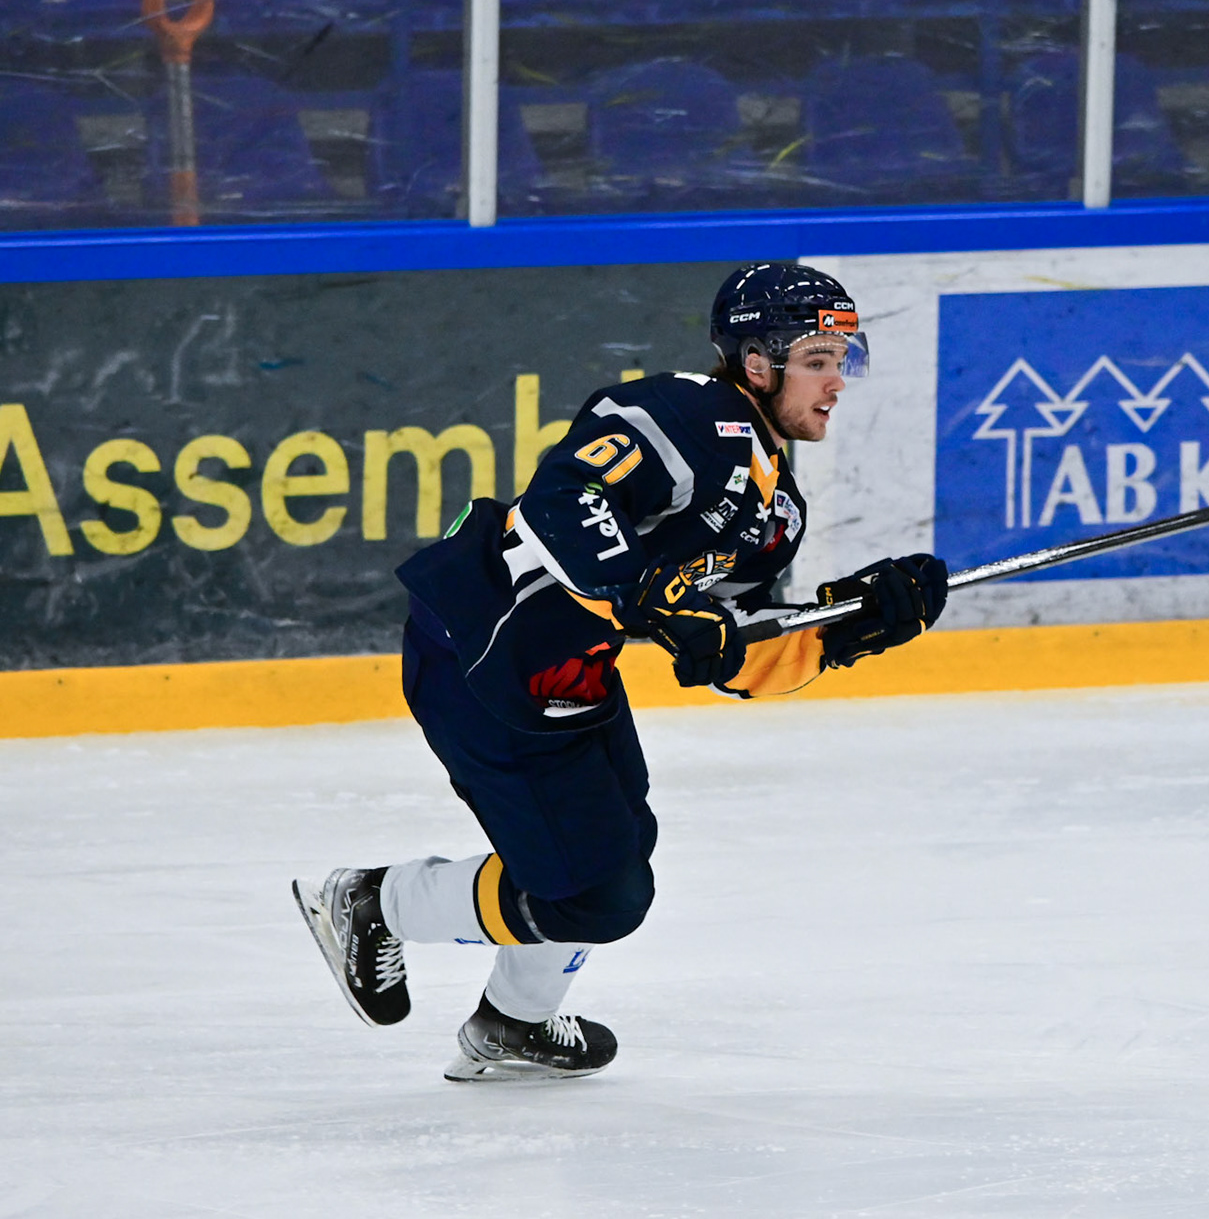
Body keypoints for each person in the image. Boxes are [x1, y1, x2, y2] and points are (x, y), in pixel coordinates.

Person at [293, 263, 948, 1081]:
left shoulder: (777, 511)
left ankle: (513, 1021)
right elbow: (565, 497)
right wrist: (646, 590)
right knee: (597, 895)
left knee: (619, 849)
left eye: (842, 361)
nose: (836, 383)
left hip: (565, 672)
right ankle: (374, 902)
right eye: (818, 359)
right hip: (485, 648)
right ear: (756, 362)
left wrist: (853, 624)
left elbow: (731, 650)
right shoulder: (689, 413)